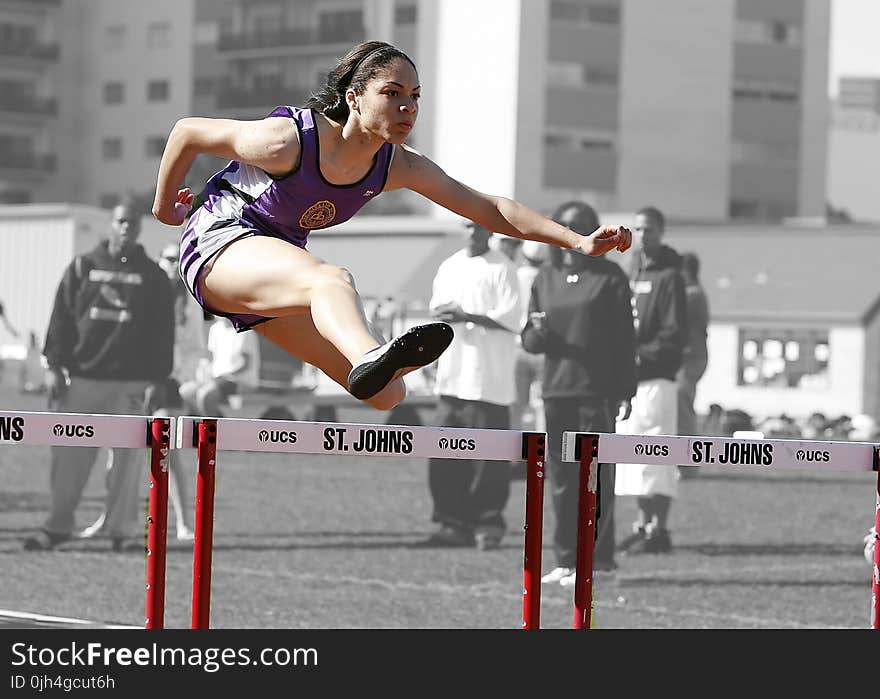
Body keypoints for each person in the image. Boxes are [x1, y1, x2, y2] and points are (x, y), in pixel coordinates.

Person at [151, 40, 631, 413]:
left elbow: (488, 209)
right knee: (331, 281)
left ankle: (373, 363)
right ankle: (369, 354)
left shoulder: (397, 165)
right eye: (393, 94)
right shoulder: (287, 141)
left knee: (389, 395)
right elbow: (187, 133)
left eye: (415, 97)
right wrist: (163, 209)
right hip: (219, 241)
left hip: (272, 266)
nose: (408, 107)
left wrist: (576, 240)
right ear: (354, 97)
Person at [23, 196, 176, 552]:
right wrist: (55, 366)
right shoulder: (82, 266)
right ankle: (57, 526)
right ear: (111, 224)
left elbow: (162, 334)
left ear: (139, 229)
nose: (126, 228)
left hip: (131, 384)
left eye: (132, 223)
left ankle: (120, 532)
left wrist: (159, 378)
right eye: (121, 221)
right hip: (82, 380)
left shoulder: (153, 276)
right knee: (68, 458)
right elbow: (60, 320)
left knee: (126, 462)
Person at [521, 201, 637, 586]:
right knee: (560, 478)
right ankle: (565, 560)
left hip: (597, 391)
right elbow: (530, 337)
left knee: (597, 478)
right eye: (567, 226)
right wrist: (535, 336)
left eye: (581, 226)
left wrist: (625, 389)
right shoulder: (544, 277)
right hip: (557, 391)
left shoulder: (611, 277)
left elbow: (625, 339)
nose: (574, 233)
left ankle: (600, 561)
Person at [418, 219, 522, 550]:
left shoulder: (503, 268)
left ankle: (487, 522)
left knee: (489, 458)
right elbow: (437, 313)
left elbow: (511, 319)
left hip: (487, 381)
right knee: (444, 452)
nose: (474, 232)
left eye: (480, 227)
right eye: (468, 226)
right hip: (452, 376)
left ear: (490, 232)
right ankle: (451, 522)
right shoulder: (450, 266)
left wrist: (468, 316)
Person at [614, 206, 686, 555]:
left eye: (650, 230)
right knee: (633, 454)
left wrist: (644, 355)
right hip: (629, 380)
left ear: (662, 232)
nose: (644, 236)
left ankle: (660, 528)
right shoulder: (630, 269)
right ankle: (641, 524)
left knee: (657, 452)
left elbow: (675, 332)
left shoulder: (671, 275)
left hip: (657, 378)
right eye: (639, 229)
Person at [179, 315, 261, 416]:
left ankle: (212, 428)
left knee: (207, 394)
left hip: (240, 381)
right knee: (186, 391)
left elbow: (245, 364)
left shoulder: (245, 331)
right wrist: (204, 373)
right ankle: (208, 420)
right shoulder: (215, 329)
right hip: (217, 380)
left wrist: (224, 375)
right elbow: (212, 358)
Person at [676, 251, 709, 478]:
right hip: (690, 358)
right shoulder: (694, 293)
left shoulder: (692, 295)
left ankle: (687, 465)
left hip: (690, 359)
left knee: (682, 405)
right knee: (682, 406)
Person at [511, 239, 550, 433]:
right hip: (541, 347)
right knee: (542, 406)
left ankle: (512, 458)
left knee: (516, 406)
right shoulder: (547, 278)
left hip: (517, 346)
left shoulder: (515, 276)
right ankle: (542, 456)